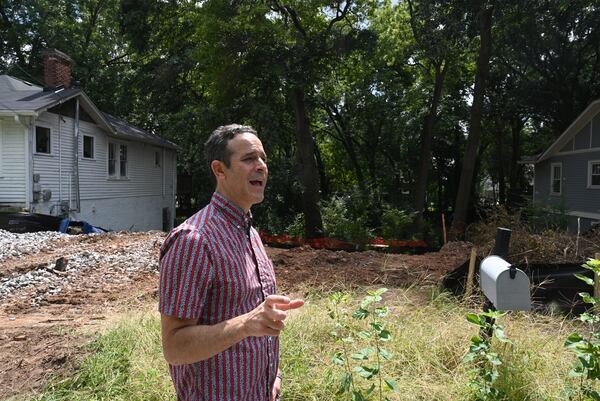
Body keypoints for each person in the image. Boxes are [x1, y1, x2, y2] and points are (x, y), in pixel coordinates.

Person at [159, 124, 304, 401]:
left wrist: (273, 376)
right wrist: (246, 324)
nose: (261, 166)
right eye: (249, 159)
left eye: (263, 159)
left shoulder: (250, 233)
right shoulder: (194, 239)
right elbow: (174, 347)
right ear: (219, 170)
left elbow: (261, 322)